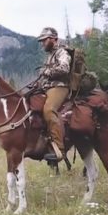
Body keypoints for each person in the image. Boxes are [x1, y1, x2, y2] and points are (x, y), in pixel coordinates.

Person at [37, 27, 71, 162]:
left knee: (49, 110)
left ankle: (60, 150)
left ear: (53, 39)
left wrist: (47, 72)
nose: (42, 43)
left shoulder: (62, 51)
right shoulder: (50, 54)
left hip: (60, 87)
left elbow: (64, 68)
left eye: (44, 40)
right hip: (48, 87)